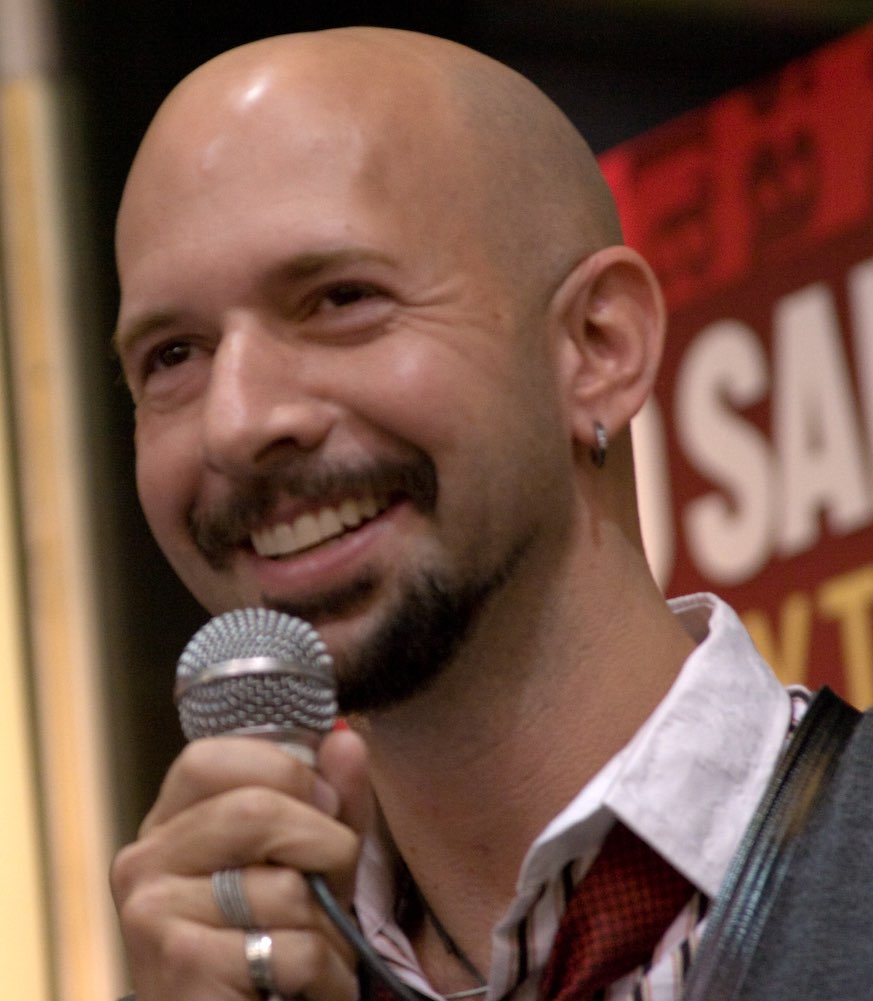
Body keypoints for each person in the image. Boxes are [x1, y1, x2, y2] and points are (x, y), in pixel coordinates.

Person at [108, 26, 873, 1001]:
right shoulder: (231, 967)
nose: (238, 420)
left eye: (340, 298)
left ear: (597, 346)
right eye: (172, 355)